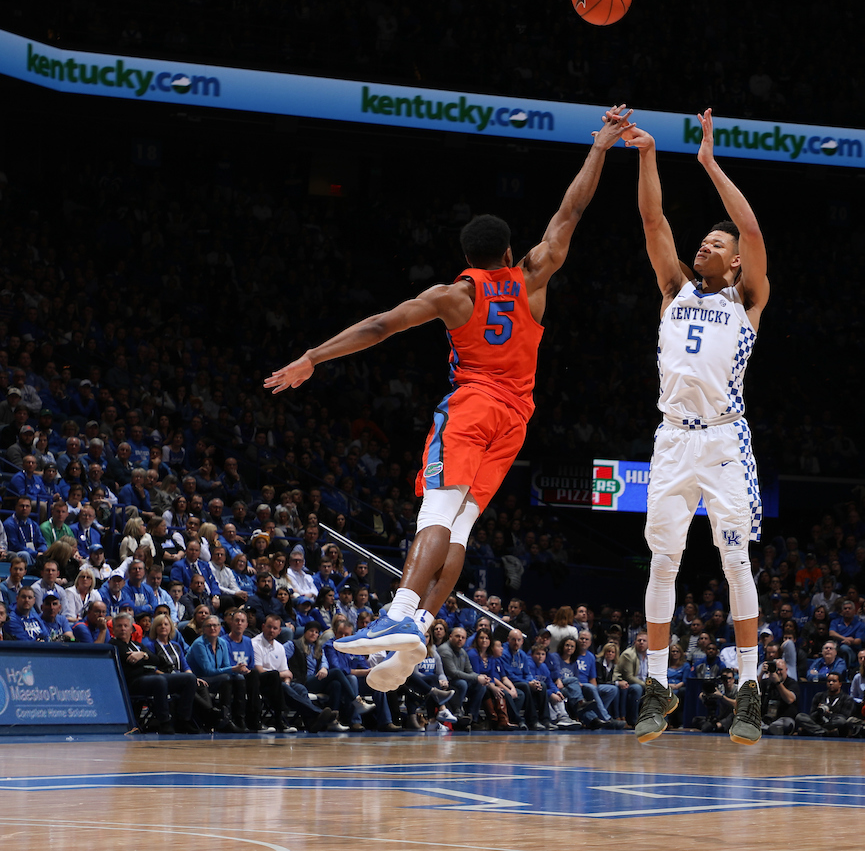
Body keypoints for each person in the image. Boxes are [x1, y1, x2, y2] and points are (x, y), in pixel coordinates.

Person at [267, 109, 636, 691]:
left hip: (471, 409)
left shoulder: (454, 294)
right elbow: (571, 211)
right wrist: (600, 148)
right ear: (511, 250)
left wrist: (312, 357)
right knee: (459, 530)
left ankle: (397, 611)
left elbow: (381, 325)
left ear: (468, 255)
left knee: (435, 516)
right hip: (516, 420)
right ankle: (418, 631)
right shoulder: (535, 277)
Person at [620, 109, 770, 747]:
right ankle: (658, 684)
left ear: (735, 265)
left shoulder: (747, 300)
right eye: (703, 243)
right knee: (662, 561)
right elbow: (653, 220)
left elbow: (750, 227)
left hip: (724, 439)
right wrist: (649, 154)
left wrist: (708, 162)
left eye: (716, 246)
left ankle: (748, 690)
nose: (705, 247)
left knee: (735, 563)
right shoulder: (674, 289)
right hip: (673, 439)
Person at [112, 613, 200, 734]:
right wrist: (147, 660)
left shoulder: (138, 645)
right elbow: (131, 662)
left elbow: (160, 660)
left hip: (147, 678)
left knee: (189, 678)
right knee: (159, 680)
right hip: (131, 682)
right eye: (119, 626)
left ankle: (183, 720)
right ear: (113, 629)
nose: (122, 629)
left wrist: (143, 655)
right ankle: (164, 722)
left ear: (131, 629)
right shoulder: (114, 645)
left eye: (125, 626)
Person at [794, 670, 857, 737]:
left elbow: (844, 717)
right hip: (819, 722)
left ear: (840, 684)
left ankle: (814, 731)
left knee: (841, 721)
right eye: (829, 681)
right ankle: (824, 732)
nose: (831, 683)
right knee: (800, 717)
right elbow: (812, 715)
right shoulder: (819, 696)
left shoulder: (847, 698)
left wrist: (829, 713)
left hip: (833, 724)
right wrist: (819, 712)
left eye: (834, 681)